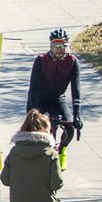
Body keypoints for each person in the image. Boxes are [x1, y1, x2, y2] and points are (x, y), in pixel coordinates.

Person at [26, 28, 81, 168]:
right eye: (56, 46)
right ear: (50, 46)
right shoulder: (41, 60)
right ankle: (37, 155)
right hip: (39, 98)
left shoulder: (73, 62)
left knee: (69, 128)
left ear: (67, 46)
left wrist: (76, 115)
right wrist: (36, 113)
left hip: (57, 98)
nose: (59, 49)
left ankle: (61, 151)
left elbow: (76, 89)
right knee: (36, 130)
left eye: (62, 46)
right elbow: (33, 89)